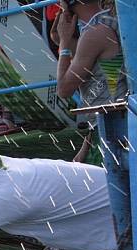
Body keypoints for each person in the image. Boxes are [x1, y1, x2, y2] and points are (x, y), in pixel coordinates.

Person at [53, 0, 126, 164]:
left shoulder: (95, 33)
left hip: (114, 133)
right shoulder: (110, 21)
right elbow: (104, 91)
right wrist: (87, 144)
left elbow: (63, 90)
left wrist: (64, 43)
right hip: (114, 124)